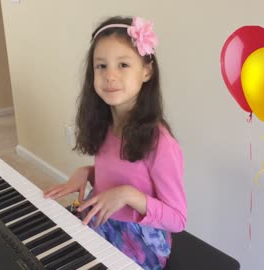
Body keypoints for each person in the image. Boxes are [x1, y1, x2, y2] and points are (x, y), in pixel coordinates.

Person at [43, 16, 187, 270]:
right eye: (101, 66)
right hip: (102, 217)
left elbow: (177, 219)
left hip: (141, 240)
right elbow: (121, 172)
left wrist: (128, 195)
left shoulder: (160, 143)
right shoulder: (103, 123)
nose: (110, 75)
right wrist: (87, 173)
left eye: (123, 64)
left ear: (146, 71)